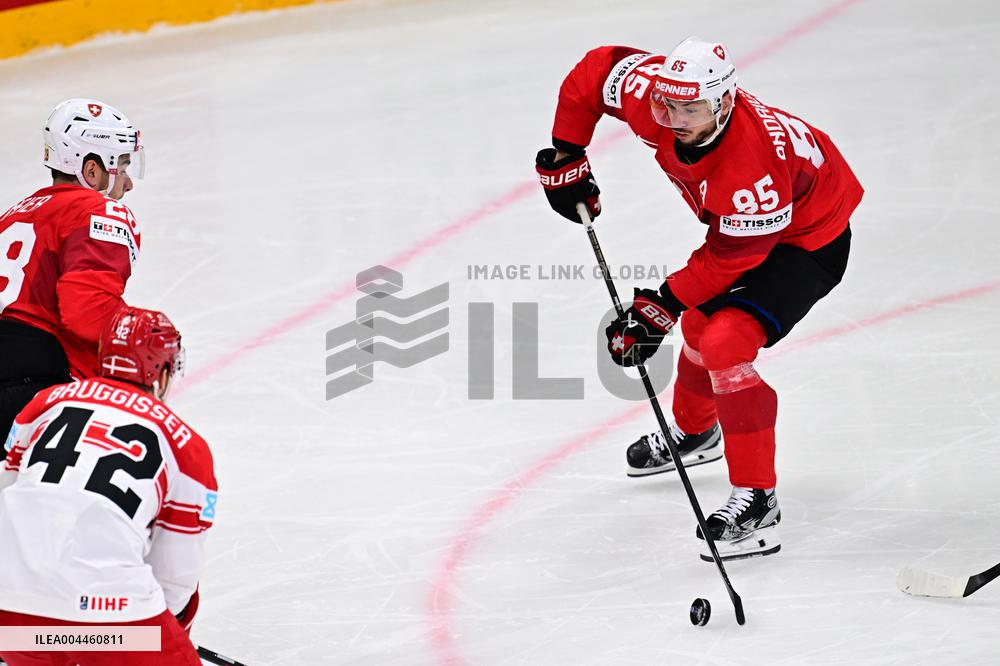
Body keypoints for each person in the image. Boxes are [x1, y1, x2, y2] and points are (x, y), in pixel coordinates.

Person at [536, 37, 863, 560]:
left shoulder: (749, 170)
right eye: (668, 105)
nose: (674, 117)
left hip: (809, 240)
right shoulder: (660, 99)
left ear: (725, 103)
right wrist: (567, 153)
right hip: (750, 232)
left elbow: (732, 257)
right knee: (699, 330)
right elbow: (597, 71)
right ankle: (696, 434)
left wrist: (660, 305)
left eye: (691, 109)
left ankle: (759, 501)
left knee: (725, 340)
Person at [0, 307, 216, 666]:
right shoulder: (186, 446)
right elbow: (177, 578)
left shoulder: (42, 405)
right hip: (108, 618)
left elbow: (7, 495)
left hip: (10, 617)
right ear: (159, 369)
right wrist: (159, 633)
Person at [0, 98, 144, 441]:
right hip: (35, 387)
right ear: (91, 170)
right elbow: (88, 312)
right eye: (121, 167)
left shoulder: (13, 214)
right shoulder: (99, 211)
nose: (128, 182)